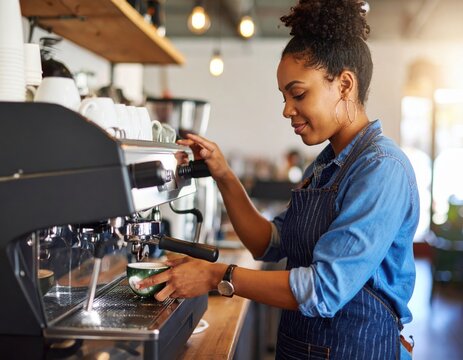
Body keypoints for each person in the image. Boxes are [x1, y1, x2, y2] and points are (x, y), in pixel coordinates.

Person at [136, 1, 419, 358]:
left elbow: (323, 290)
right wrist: (223, 173)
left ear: (345, 84)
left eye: (298, 94)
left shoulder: (381, 169)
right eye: (284, 97)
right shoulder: (325, 165)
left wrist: (215, 276)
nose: (287, 110)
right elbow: (267, 243)